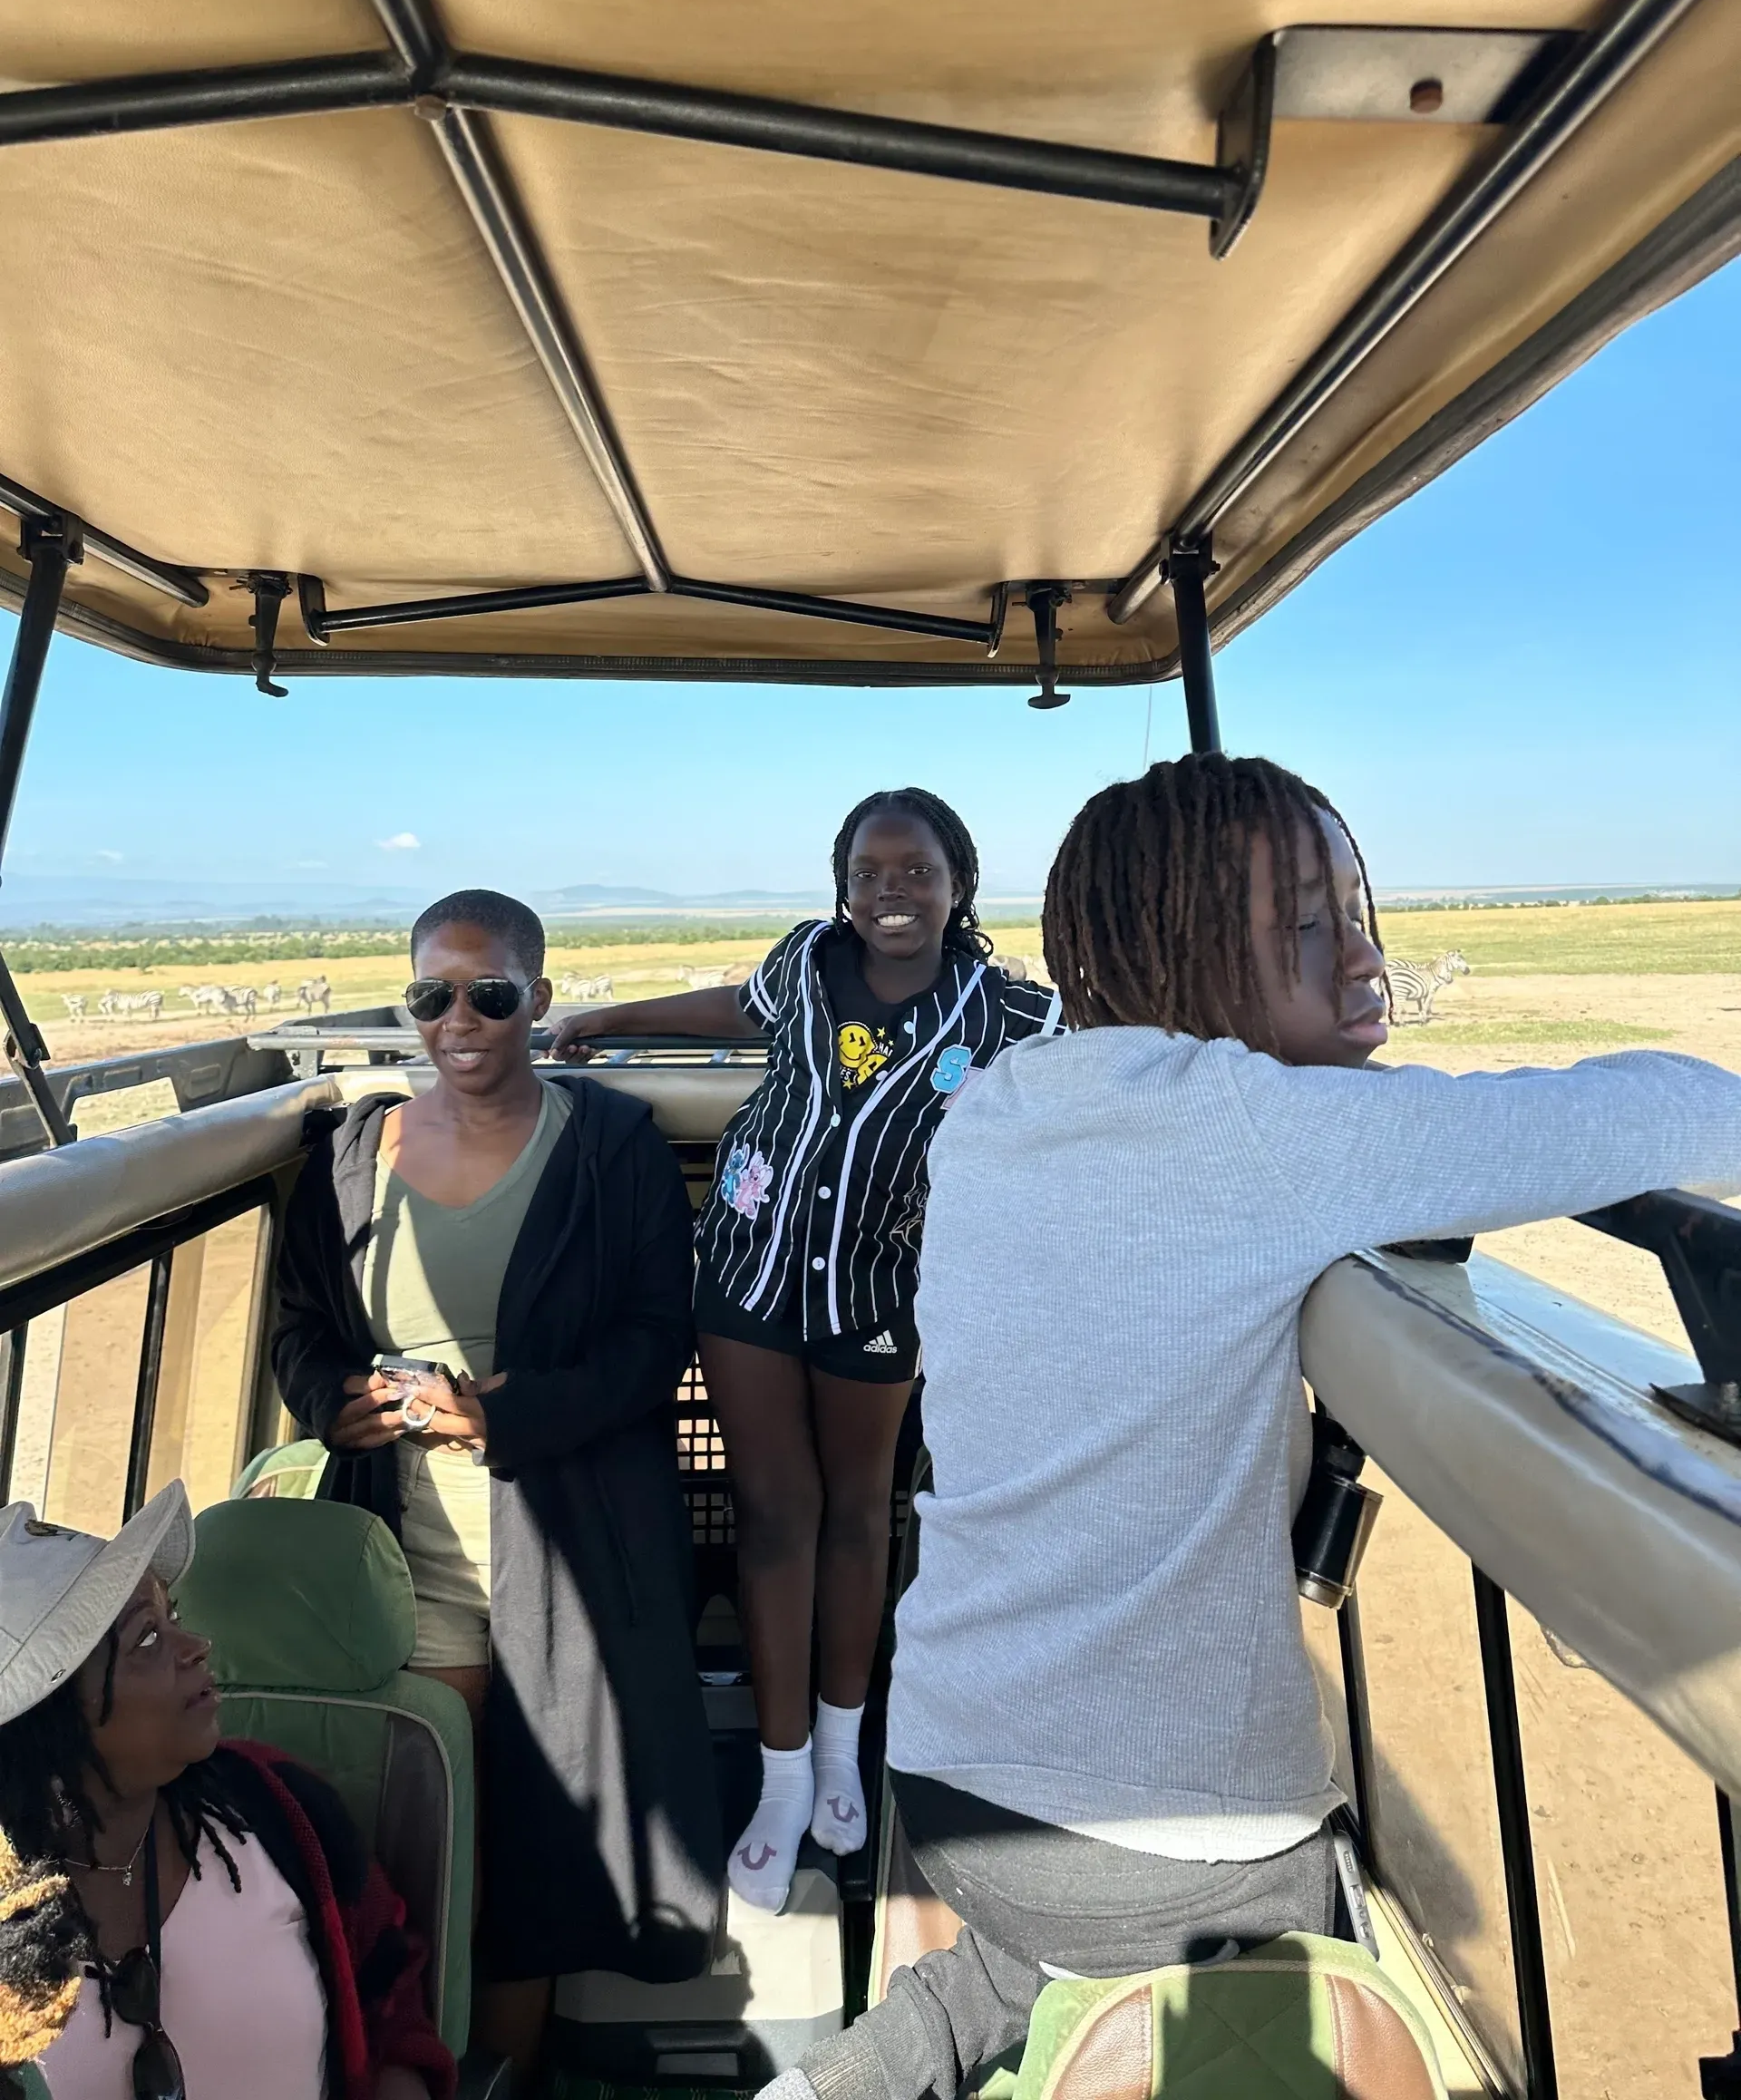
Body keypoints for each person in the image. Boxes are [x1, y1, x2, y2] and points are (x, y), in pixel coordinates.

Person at [763, 752, 1741, 2100]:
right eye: (1308, 925)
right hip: (1161, 1836)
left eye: (1360, 915)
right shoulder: (1249, 1127)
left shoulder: (1004, 1104)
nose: (1363, 963)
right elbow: (1648, 1112)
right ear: (1180, 945)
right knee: (1336, 1955)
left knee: (1021, 1961)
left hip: (948, 1776)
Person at [551, 791, 1061, 1912]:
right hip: (745, 1270)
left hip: (878, 1291)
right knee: (773, 1512)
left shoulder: (1009, 1016)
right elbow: (733, 1009)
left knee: (857, 1513)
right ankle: (782, 1784)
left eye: (916, 871)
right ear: (843, 885)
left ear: (958, 883)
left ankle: (844, 1753)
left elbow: (1120, 1052)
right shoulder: (801, 968)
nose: (892, 892)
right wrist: (602, 1018)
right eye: (871, 872)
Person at [273, 890, 721, 2082]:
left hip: (569, 1545)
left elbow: (653, 1338)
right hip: (404, 1549)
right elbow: (302, 1332)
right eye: (430, 995)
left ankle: (498, 2073)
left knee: (532, 1840)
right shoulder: (350, 1156)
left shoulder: (611, 1150)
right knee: (432, 1824)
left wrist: (505, 1413)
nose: (458, 1020)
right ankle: (416, 2054)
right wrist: (333, 1404)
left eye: (491, 993)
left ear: (539, 1000)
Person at [0, 1481, 452, 2100]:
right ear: (52, 1724)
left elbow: (391, 2001)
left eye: (174, 1618)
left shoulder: (276, 1807)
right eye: (148, 1641)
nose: (198, 1647)